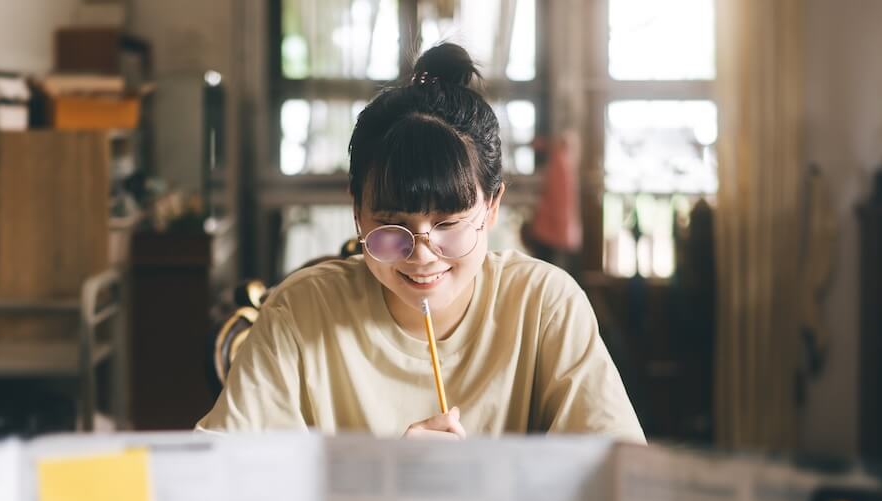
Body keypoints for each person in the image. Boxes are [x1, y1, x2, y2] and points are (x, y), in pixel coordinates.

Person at [198, 43, 644, 443]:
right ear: (357, 212)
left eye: (449, 223)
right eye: (392, 225)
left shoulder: (544, 304)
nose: (422, 253)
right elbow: (222, 478)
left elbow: (616, 476)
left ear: (492, 207)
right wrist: (390, 481)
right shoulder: (301, 311)